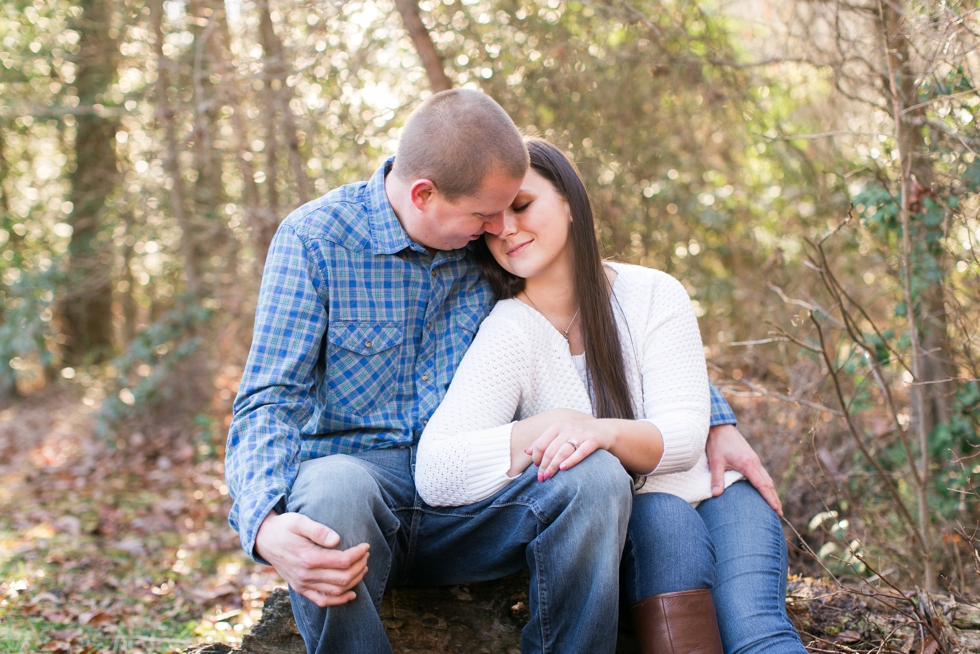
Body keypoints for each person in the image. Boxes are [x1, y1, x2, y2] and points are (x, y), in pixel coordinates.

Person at [415, 138, 806, 654]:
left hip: (718, 489)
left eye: (524, 205)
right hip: (646, 517)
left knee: (757, 631)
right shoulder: (509, 330)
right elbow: (437, 471)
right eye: (491, 221)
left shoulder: (653, 293)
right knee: (672, 573)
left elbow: (684, 438)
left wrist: (599, 430)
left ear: (572, 204)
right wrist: (546, 426)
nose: (507, 229)